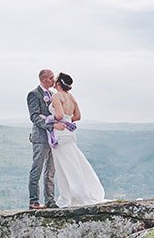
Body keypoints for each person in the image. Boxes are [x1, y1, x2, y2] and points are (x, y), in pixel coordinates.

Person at [47, 72, 105, 207]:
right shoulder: (71, 98)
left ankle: (74, 195)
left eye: (55, 81)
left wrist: (49, 119)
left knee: (64, 166)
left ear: (59, 84)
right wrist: (68, 120)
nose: (54, 83)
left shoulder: (57, 96)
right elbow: (77, 116)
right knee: (73, 162)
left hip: (60, 132)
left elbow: (60, 115)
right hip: (70, 133)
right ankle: (78, 192)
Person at [27, 69, 66, 210]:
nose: (53, 81)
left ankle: (50, 200)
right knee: (37, 169)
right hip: (40, 137)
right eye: (50, 78)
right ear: (43, 79)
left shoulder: (52, 94)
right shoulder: (34, 94)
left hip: (53, 138)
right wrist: (50, 125)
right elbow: (35, 117)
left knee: (50, 171)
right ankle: (34, 201)